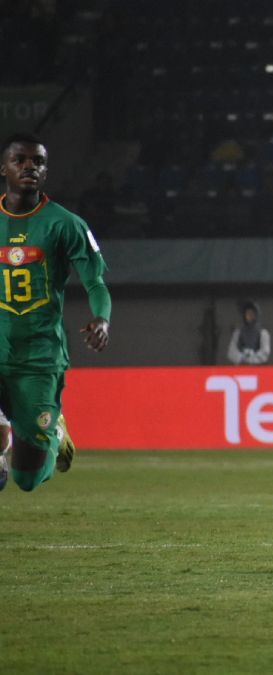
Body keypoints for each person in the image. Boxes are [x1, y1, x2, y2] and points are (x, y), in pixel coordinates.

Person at [0, 132, 111, 493]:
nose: (30, 166)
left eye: (38, 162)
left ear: (46, 171)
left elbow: (95, 283)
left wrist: (102, 319)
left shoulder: (66, 224)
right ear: (5, 168)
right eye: (20, 160)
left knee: (27, 478)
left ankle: (54, 432)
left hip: (39, 356)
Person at [227, 300, 270, 365]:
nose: (250, 316)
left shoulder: (263, 333)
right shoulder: (238, 333)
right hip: (240, 370)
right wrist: (242, 358)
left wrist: (251, 359)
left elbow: (265, 353)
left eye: (252, 313)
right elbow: (231, 352)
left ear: (256, 315)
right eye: (247, 313)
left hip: (259, 369)